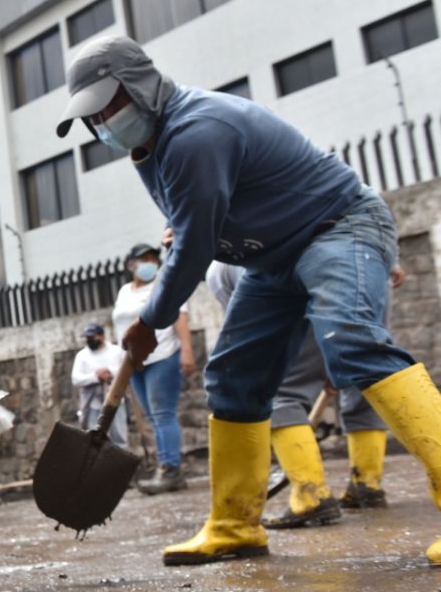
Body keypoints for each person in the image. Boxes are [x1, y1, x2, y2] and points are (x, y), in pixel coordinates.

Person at [55, 34, 441, 567]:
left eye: (109, 105)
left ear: (140, 86)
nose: (103, 123)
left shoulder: (196, 130)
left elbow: (195, 246)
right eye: (92, 117)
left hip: (337, 226)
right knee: (233, 377)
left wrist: (151, 319)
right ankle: (234, 524)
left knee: (349, 339)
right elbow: (197, 226)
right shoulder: (153, 147)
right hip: (272, 258)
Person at [207, 261, 403, 527]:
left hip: (300, 278)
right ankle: (367, 485)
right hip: (370, 272)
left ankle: (311, 496)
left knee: (279, 389)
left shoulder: (219, 271)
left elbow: (253, 332)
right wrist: (334, 362)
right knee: (364, 373)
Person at [111, 243, 195, 494]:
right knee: (152, 417)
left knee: (162, 413)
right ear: (131, 265)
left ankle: (171, 469)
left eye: (152, 259)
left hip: (162, 355)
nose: (149, 263)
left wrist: (187, 350)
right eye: (142, 259)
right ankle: (165, 467)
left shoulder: (163, 284)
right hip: (134, 362)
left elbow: (180, 317)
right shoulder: (125, 291)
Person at [70, 323, 129, 449]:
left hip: (116, 402)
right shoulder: (82, 356)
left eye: (92, 337)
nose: (90, 340)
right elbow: (76, 379)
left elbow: (125, 370)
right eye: (88, 338)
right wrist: (96, 376)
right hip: (93, 405)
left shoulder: (116, 351)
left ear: (102, 336)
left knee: (120, 439)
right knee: (93, 440)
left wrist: (109, 372)